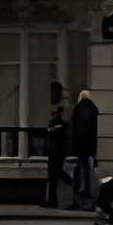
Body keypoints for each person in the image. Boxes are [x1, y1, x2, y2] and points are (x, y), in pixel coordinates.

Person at [68, 87, 100, 212]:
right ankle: (89, 200)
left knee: (78, 174)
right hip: (90, 148)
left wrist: (73, 147)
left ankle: (78, 201)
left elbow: (75, 130)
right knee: (88, 173)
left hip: (80, 147)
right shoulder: (93, 109)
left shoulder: (77, 109)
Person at [43, 82, 69, 210]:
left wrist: (52, 127)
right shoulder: (54, 108)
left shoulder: (62, 109)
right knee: (53, 174)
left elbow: (63, 126)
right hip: (54, 147)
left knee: (55, 173)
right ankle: (52, 200)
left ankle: (54, 200)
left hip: (58, 147)